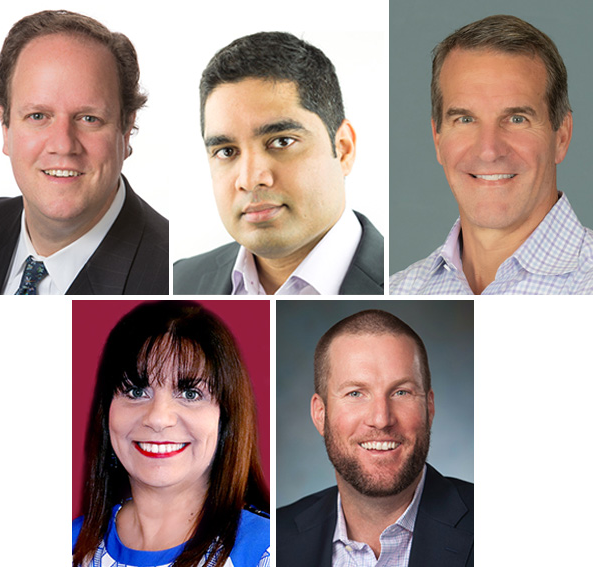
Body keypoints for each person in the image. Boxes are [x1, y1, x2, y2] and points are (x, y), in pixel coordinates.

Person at [390, 14, 593, 295]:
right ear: (437, 138)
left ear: (562, 135)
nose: (489, 150)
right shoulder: (402, 290)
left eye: (517, 119)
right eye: (465, 119)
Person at [173, 32, 383, 295]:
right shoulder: (178, 282)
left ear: (343, 149)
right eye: (227, 151)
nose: (250, 179)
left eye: (282, 142)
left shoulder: (397, 285)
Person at [0, 10, 168, 295]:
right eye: (38, 116)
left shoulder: (167, 277)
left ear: (126, 129)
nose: (64, 145)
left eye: (89, 119)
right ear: (5, 128)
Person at [72, 301, 270, 567]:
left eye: (190, 393)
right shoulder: (70, 544)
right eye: (135, 391)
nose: (158, 418)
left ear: (226, 417)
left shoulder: (267, 549)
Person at [277, 309, 473, 567]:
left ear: (430, 407)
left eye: (401, 392)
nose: (381, 419)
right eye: (356, 394)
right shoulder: (276, 537)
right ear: (320, 414)